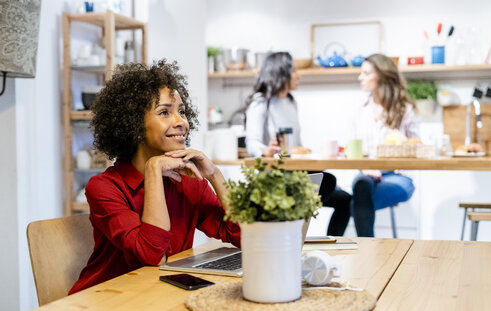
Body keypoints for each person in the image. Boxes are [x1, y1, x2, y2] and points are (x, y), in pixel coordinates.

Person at [69, 59, 240, 294]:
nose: (181, 122)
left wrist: (214, 174)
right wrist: (153, 170)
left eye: (181, 111)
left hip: (158, 294)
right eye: (164, 112)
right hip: (105, 301)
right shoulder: (104, 187)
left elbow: (243, 234)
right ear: (135, 126)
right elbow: (153, 255)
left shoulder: (190, 181)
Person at [244, 52, 351, 236]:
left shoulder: (291, 102)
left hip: (296, 173)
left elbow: (297, 146)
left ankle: (330, 243)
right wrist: (265, 150)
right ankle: (292, 234)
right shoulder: (261, 102)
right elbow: (251, 142)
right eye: (294, 70)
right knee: (328, 181)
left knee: (345, 199)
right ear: (281, 72)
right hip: (275, 177)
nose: (298, 75)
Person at [349, 53, 419, 237]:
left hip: (399, 176)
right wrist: (365, 167)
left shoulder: (405, 109)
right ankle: (369, 251)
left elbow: (418, 147)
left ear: (380, 75)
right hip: (367, 176)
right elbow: (353, 149)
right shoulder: (360, 110)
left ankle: (367, 250)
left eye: (365, 73)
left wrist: (402, 142)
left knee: (354, 203)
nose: (360, 77)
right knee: (361, 186)